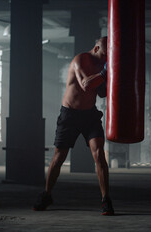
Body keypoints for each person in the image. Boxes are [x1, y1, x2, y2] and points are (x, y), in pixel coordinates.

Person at [33, 37, 113, 215]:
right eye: (105, 54)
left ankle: (106, 199)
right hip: (69, 115)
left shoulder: (104, 64)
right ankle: (47, 194)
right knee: (59, 157)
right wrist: (104, 74)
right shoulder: (80, 59)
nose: (106, 58)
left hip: (90, 115)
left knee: (99, 153)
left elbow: (100, 93)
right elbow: (85, 85)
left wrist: (111, 79)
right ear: (96, 47)